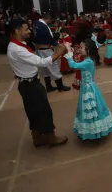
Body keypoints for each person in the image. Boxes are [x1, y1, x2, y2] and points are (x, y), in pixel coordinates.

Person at [7, 19, 68, 147]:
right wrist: (59, 53)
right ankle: (51, 137)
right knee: (44, 111)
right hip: (31, 85)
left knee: (33, 111)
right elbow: (42, 62)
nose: (29, 31)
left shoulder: (17, 45)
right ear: (17, 31)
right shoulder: (18, 49)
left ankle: (37, 137)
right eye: (26, 29)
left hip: (26, 83)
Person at [63, 40, 112, 140]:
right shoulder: (88, 59)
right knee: (91, 108)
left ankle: (94, 130)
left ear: (88, 50)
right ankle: (93, 129)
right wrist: (74, 52)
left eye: (82, 48)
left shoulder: (88, 61)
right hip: (86, 87)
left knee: (91, 107)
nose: (80, 49)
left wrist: (69, 51)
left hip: (88, 89)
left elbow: (73, 65)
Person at [33, 13, 71, 92]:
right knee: (54, 66)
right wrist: (58, 45)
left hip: (39, 49)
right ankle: (60, 87)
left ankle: (48, 86)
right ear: (48, 19)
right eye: (50, 20)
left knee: (45, 68)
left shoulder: (36, 23)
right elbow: (49, 38)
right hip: (46, 49)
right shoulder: (42, 26)